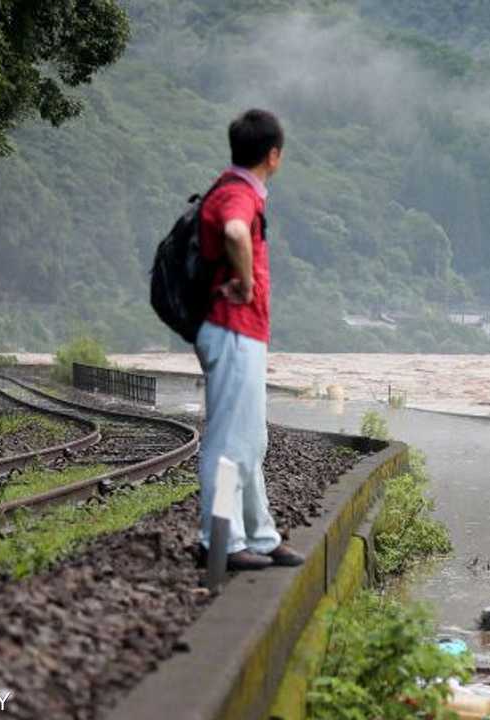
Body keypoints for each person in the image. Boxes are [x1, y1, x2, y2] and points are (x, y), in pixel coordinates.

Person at [194, 109, 302, 571]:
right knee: (227, 442)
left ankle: (259, 537)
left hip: (243, 333)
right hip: (232, 329)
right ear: (273, 155)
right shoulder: (238, 193)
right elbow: (236, 231)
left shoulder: (235, 189)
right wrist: (246, 281)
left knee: (251, 439)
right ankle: (218, 541)